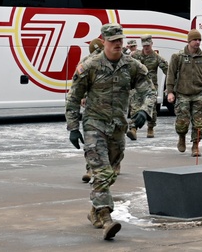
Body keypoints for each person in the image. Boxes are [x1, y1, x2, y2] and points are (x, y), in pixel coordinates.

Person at [65, 23, 155, 240]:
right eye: (113, 40)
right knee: (102, 172)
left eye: (120, 40)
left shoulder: (131, 65)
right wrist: (73, 128)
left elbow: (149, 90)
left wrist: (145, 111)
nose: (117, 44)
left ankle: (94, 212)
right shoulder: (90, 66)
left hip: (117, 128)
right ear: (104, 41)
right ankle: (106, 218)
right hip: (94, 126)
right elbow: (74, 96)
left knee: (110, 174)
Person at [165, 29, 202, 157]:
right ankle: (181, 137)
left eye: (199, 40)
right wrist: (170, 92)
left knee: (199, 123)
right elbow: (170, 74)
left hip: (198, 94)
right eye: (195, 40)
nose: (197, 42)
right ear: (189, 41)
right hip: (182, 93)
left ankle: (195, 146)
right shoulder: (178, 57)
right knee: (182, 122)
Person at [131, 35, 168, 139]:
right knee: (135, 106)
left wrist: (170, 85)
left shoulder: (156, 57)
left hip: (151, 87)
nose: (146, 48)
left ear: (151, 44)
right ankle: (133, 128)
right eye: (144, 46)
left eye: (148, 45)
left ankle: (150, 127)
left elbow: (167, 70)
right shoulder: (136, 55)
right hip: (137, 85)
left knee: (152, 108)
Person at [78, 38, 104, 184]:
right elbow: (79, 83)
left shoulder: (112, 61)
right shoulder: (86, 62)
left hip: (110, 110)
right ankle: (90, 169)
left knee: (112, 144)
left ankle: (113, 165)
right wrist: (82, 96)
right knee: (91, 141)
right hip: (92, 109)